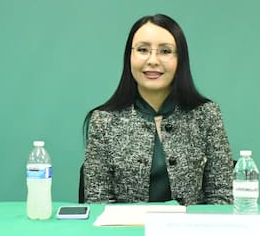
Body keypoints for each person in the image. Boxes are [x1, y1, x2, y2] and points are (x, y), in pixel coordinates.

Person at [83, 13, 233, 205]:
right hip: (126, 225)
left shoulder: (206, 115)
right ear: (129, 57)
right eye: (143, 50)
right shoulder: (103, 121)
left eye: (165, 51)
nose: (153, 60)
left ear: (180, 60)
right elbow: (98, 201)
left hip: (190, 225)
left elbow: (221, 196)